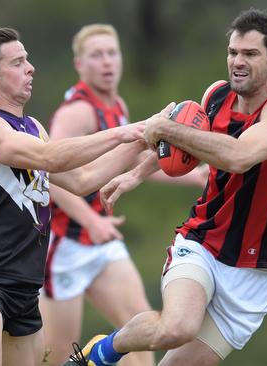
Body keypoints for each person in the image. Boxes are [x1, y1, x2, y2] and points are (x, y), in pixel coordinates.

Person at [66, 8, 267, 366]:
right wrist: (136, 173)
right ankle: (99, 353)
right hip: (203, 243)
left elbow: (239, 156)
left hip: (256, 273)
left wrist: (165, 128)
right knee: (176, 327)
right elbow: (186, 141)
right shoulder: (216, 95)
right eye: (233, 53)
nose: (237, 62)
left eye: (250, 54)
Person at [0, 27, 151, 366]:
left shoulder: (34, 128)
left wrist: (143, 138)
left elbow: (83, 179)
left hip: (26, 286)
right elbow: (50, 157)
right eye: (18, 62)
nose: (31, 68)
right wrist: (123, 132)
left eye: (28, 59)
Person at [41, 24, 207, 366]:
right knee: (52, 356)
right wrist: (89, 220)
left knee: (141, 333)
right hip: (65, 246)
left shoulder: (117, 106)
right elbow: (51, 176)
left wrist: (191, 177)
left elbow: (124, 163)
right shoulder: (77, 112)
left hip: (102, 242)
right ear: (79, 65)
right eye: (96, 55)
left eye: (112, 53)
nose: (107, 62)